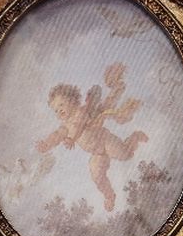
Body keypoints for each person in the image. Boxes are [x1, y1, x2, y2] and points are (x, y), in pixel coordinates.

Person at [36, 62, 148, 211]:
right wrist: (46, 144)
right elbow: (57, 135)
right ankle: (109, 196)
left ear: (72, 100)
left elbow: (79, 125)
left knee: (125, 155)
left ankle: (134, 137)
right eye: (56, 110)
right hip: (96, 153)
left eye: (61, 105)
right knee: (97, 176)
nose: (59, 111)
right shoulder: (65, 127)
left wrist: (72, 139)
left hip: (105, 141)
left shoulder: (81, 112)